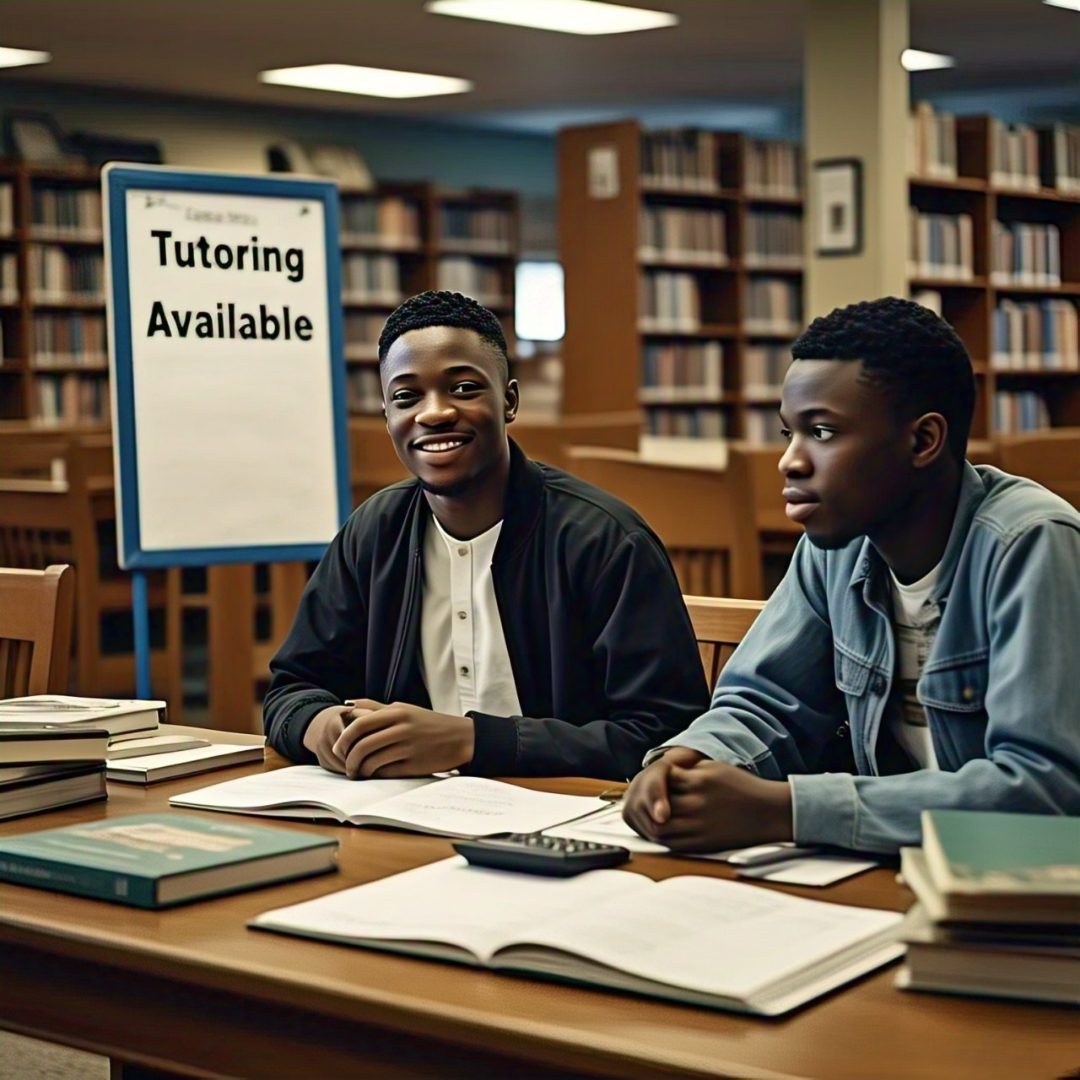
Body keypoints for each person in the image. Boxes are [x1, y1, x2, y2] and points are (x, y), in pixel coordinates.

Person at [623, 296, 1080, 854]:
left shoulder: (1031, 544)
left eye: (821, 432)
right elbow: (763, 704)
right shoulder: (834, 545)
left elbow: (1044, 792)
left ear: (923, 441)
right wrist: (686, 763)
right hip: (892, 867)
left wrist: (786, 810)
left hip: (1021, 889)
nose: (789, 460)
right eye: (788, 432)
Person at [265, 290, 708, 781]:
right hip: (402, 815)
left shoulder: (605, 542)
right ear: (387, 416)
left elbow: (667, 735)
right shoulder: (372, 533)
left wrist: (471, 742)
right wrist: (322, 724)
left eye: (463, 388)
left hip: (564, 819)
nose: (433, 413)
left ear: (509, 401)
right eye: (406, 397)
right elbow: (292, 688)